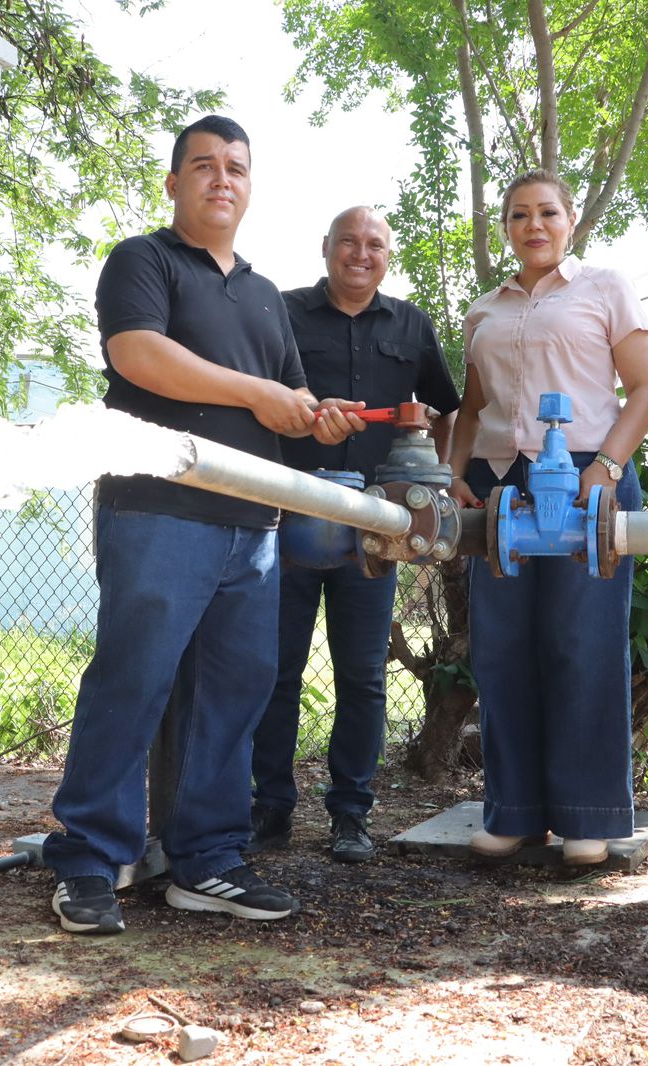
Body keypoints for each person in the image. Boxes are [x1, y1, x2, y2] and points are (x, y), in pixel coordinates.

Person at [41, 116, 365, 935]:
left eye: (237, 168)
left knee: (234, 691)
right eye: (204, 166)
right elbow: (137, 355)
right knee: (134, 677)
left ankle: (207, 859)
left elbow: (287, 406)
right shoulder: (143, 260)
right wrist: (259, 395)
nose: (222, 179)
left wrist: (314, 419)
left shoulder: (261, 293)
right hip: (157, 510)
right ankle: (88, 858)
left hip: (251, 527)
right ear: (174, 183)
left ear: (250, 187)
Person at [446, 170, 648, 865]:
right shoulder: (483, 310)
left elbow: (645, 390)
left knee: (583, 646)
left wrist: (609, 469)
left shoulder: (604, 288)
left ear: (571, 219)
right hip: (501, 488)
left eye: (546, 212)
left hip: (587, 481)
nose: (533, 225)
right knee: (502, 650)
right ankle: (514, 812)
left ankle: (587, 818)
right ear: (503, 227)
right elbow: (473, 409)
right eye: (518, 215)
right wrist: (453, 473)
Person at [248, 207, 461, 864]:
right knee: (274, 672)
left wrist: (433, 486)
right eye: (348, 242)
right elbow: (253, 399)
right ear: (326, 249)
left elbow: (444, 412)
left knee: (363, 676)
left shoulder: (410, 325)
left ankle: (351, 814)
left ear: (387, 256)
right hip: (289, 519)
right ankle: (271, 809)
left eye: (374, 244)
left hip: (377, 530)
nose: (360, 254)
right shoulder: (279, 311)